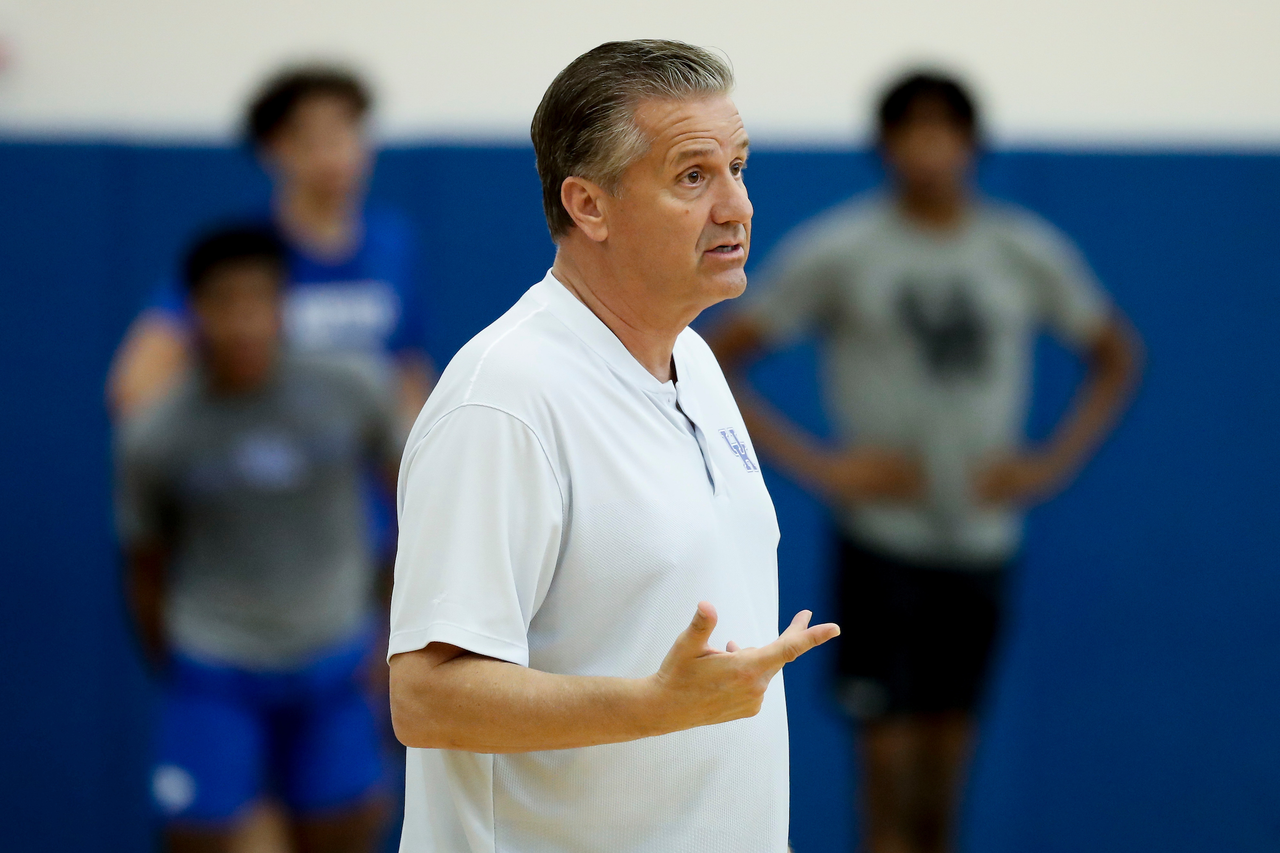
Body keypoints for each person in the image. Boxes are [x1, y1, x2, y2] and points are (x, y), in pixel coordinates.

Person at [387, 40, 839, 853]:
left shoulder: (695, 361)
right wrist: (656, 705)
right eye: (694, 176)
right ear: (589, 206)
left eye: (739, 167)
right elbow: (425, 698)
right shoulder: (504, 396)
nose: (736, 205)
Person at [708, 72, 1144, 853]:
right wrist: (824, 466)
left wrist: (1049, 465)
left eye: (947, 129)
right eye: (912, 129)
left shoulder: (1020, 250)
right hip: (881, 548)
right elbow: (720, 356)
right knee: (887, 773)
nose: (930, 148)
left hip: (980, 547)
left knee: (945, 780)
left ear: (973, 144)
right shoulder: (842, 250)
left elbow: (1115, 352)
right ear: (884, 146)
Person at [115, 225, 403, 853]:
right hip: (214, 665)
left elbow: (413, 500)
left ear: (284, 304)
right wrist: (184, 664)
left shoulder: (353, 389)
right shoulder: (156, 435)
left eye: (259, 300)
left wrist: (391, 630)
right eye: (223, 302)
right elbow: (143, 565)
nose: (243, 321)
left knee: (348, 827)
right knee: (207, 836)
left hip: (334, 658)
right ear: (192, 313)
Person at [106, 64, 434, 427]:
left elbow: (407, 368)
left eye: (347, 131)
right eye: (313, 137)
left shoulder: (392, 242)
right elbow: (136, 385)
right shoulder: (240, 255)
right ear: (275, 148)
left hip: (360, 475)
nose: (335, 152)